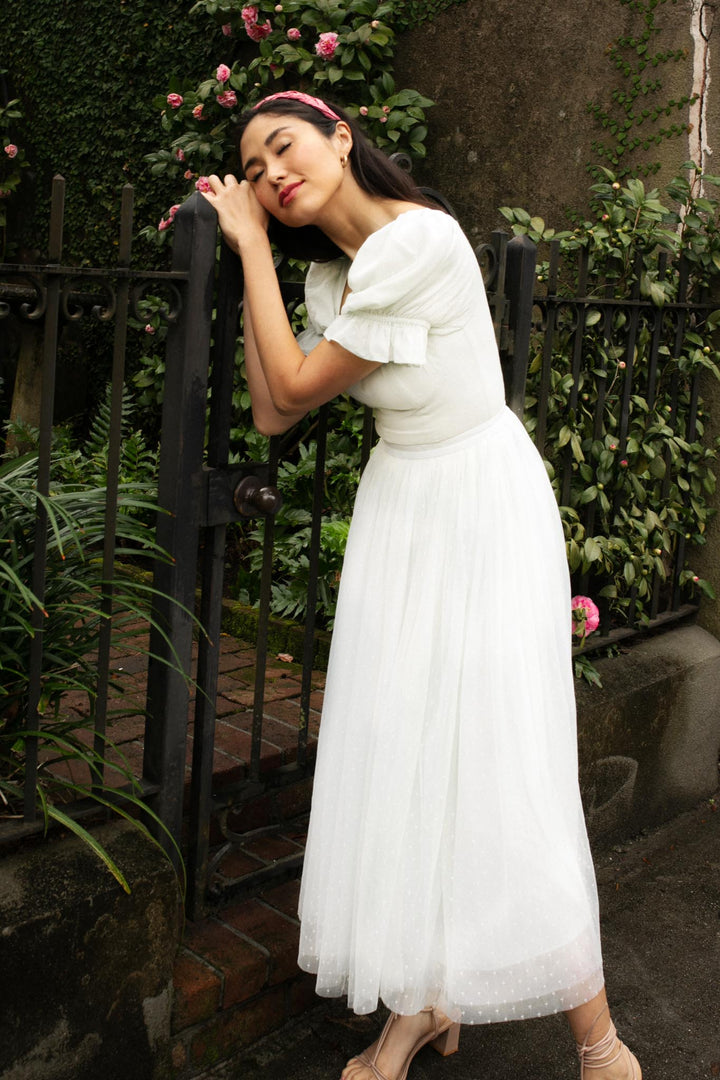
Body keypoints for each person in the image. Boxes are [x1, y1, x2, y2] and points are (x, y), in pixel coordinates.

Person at [201, 91, 642, 1080]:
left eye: (285, 147)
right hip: (405, 507)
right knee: (410, 756)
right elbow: (274, 413)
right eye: (257, 171)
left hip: (477, 505)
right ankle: (426, 1007)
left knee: (496, 762)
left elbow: (298, 387)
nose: (272, 175)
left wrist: (248, 253)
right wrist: (265, 264)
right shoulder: (334, 276)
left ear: (340, 140)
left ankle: (603, 1044)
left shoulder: (419, 244)